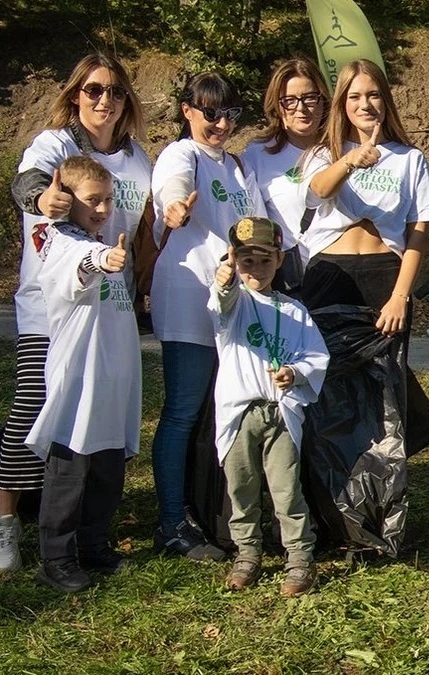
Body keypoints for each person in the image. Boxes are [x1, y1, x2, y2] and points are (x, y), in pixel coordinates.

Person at [2, 53, 151, 575]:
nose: (104, 100)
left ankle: (78, 532)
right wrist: (43, 197)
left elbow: (141, 229)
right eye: (92, 90)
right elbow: (26, 185)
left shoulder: (136, 159)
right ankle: (8, 528)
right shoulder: (56, 144)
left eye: (114, 91)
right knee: (35, 414)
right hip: (52, 306)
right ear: (75, 95)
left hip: (110, 311)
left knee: (99, 423)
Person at [298, 59, 429, 553]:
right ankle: (331, 522)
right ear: (342, 103)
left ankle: (382, 523)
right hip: (329, 282)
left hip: (384, 279)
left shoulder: (410, 159)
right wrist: (350, 161)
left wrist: (401, 295)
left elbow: (420, 232)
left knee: (385, 409)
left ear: (386, 100)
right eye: (355, 96)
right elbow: (317, 193)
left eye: (374, 95)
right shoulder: (323, 153)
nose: (365, 104)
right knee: (326, 403)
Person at [150, 71, 265, 560]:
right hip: (190, 299)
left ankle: (216, 512)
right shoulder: (183, 154)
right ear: (187, 111)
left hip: (233, 304)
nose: (219, 123)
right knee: (182, 412)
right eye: (210, 112)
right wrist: (173, 208)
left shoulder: (237, 165)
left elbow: (259, 226)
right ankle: (172, 523)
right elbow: (171, 190)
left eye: (229, 114)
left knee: (226, 412)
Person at [22, 156, 138, 592]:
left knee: (107, 468)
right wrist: (104, 259)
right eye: (93, 200)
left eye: (108, 199)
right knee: (70, 471)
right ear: (67, 199)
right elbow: (82, 264)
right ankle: (55, 558)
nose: (104, 208)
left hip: (111, 378)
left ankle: (93, 544)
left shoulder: (94, 236)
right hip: (80, 380)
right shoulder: (60, 244)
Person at [210, 217, 328, 597]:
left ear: (279, 260)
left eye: (263, 261)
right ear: (234, 262)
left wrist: (294, 373)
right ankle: (247, 550)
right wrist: (225, 278)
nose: (255, 270)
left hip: (281, 413)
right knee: (240, 485)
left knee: (285, 487)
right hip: (240, 413)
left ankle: (299, 555)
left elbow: (316, 354)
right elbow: (221, 298)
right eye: (246, 262)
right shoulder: (233, 306)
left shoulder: (295, 311)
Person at [240, 58, 330, 294]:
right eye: (289, 101)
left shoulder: (343, 150)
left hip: (339, 276)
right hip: (287, 282)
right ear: (277, 107)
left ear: (323, 101)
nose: (301, 108)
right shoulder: (257, 155)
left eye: (310, 97)